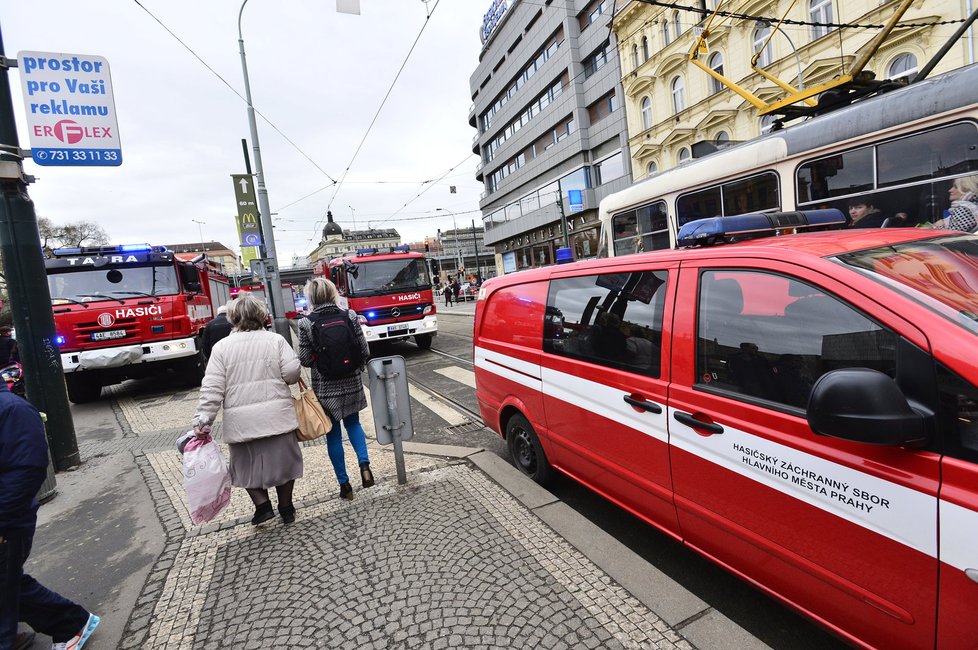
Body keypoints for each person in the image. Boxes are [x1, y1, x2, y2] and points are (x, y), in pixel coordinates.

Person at [0, 381, 101, 650]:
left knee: (6, 583)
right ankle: (69, 623)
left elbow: (26, 471)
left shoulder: (12, 410)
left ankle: (69, 624)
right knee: (8, 585)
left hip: (7, 524)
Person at [192, 292, 303, 525]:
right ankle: (286, 507)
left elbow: (212, 387)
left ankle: (262, 506)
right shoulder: (276, 341)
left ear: (233, 318)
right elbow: (292, 374)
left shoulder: (221, 348)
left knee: (244, 467)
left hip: (242, 423)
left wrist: (204, 420)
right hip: (277, 418)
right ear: (261, 316)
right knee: (285, 463)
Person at [298, 277, 373, 501]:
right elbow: (364, 350)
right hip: (351, 381)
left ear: (311, 298)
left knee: (333, 433)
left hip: (325, 386)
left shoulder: (305, 323)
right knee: (354, 423)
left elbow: (304, 359)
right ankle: (364, 465)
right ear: (333, 294)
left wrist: (320, 358)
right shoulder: (349, 316)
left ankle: (344, 484)